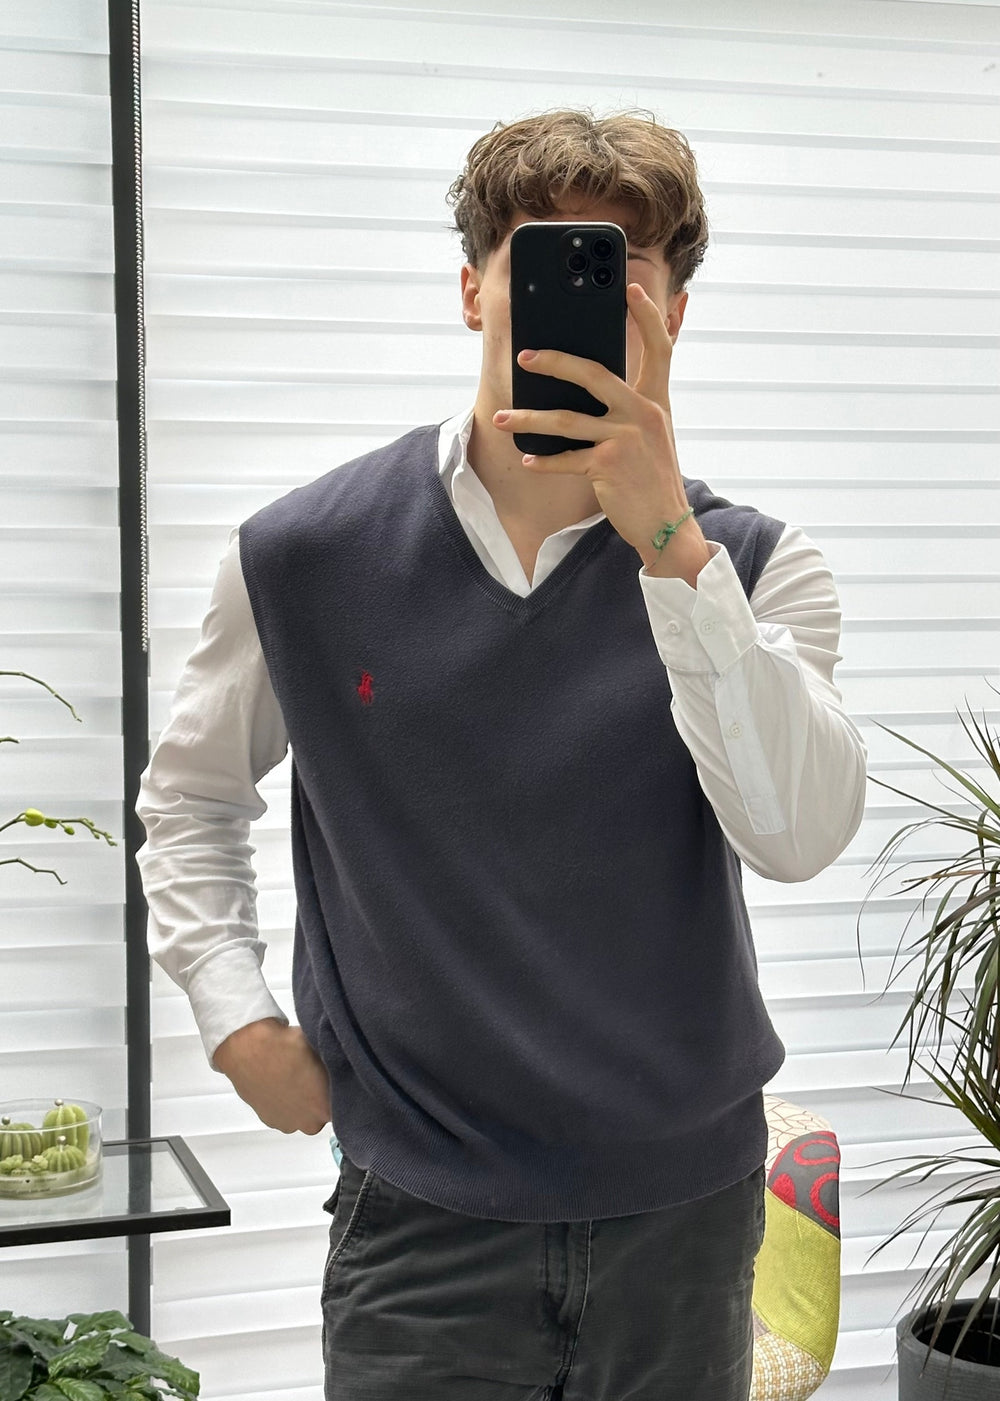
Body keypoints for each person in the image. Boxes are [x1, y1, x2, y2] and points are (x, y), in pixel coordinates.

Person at [136, 109, 868, 1401]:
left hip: (684, 1210)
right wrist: (235, 1017)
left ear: (673, 313)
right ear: (474, 287)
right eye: (542, 262)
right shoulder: (302, 555)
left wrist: (671, 550)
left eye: (623, 271)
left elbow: (796, 836)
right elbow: (193, 795)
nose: (580, 299)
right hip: (418, 1206)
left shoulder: (755, 567)